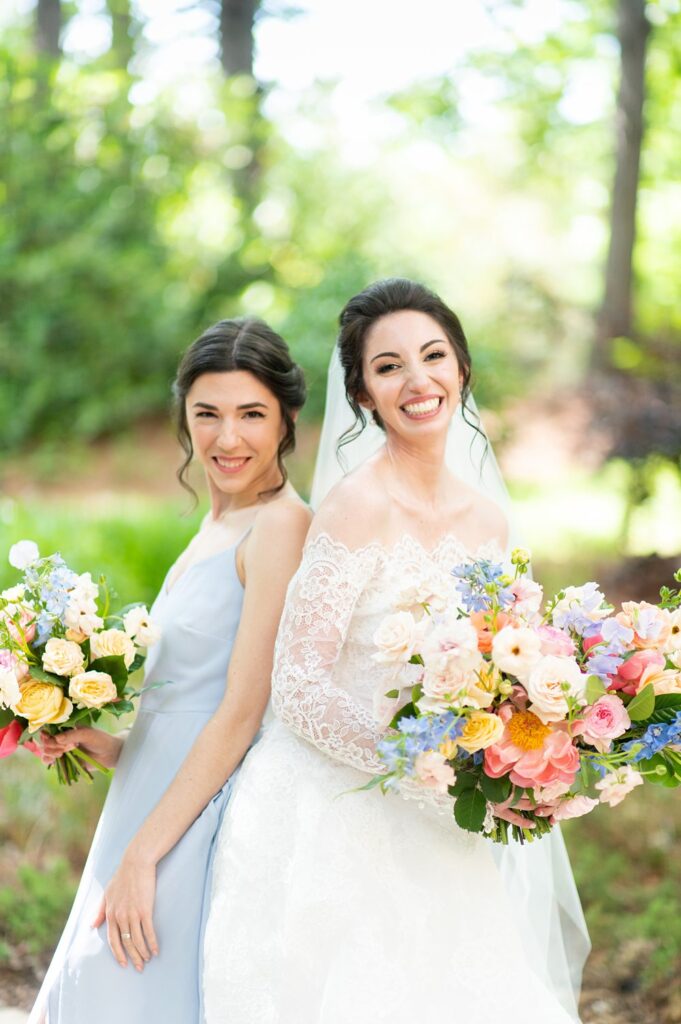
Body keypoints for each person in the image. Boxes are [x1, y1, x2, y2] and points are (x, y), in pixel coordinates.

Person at [202, 279, 588, 1023]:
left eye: (433, 356)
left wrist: (519, 750)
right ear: (363, 393)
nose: (417, 380)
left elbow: (500, 667)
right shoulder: (356, 506)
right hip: (331, 811)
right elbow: (299, 683)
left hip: (441, 812)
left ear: (462, 370)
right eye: (388, 367)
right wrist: (420, 771)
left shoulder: (486, 522)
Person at [30, 318, 312, 1024]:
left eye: (251, 414)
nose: (227, 438)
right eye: (206, 414)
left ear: (286, 419)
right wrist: (112, 746)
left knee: (127, 989)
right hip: (149, 796)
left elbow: (243, 712)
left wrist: (143, 857)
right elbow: (192, 695)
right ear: (184, 418)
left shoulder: (280, 525)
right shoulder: (216, 523)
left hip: (189, 824)